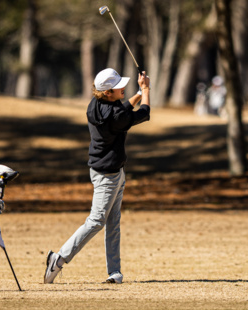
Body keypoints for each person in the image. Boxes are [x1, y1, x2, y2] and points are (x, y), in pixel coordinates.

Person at [44, 68, 151, 284]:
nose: (123, 88)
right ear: (109, 92)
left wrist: (139, 92)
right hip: (108, 175)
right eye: (119, 86)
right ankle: (59, 258)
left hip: (110, 171)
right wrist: (146, 90)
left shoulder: (97, 104)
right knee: (96, 221)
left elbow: (123, 109)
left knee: (113, 222)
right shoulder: (115, 115)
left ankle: (114, 272)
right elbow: (144, 113)